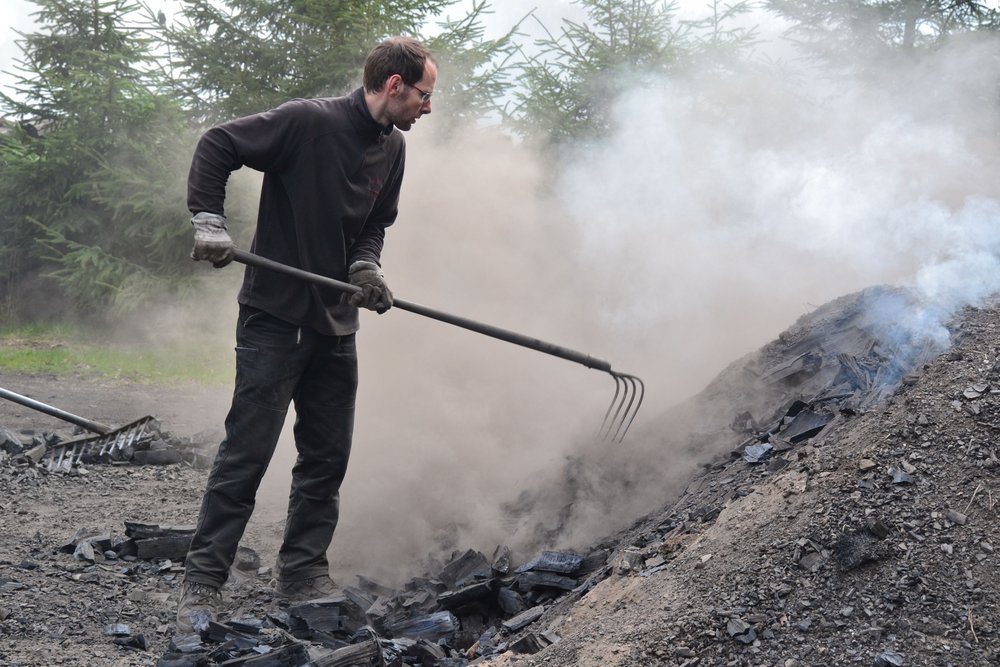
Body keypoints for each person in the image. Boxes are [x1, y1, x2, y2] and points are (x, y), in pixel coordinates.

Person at [176, 36, 436, 634]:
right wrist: (209, 220)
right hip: (276, 316)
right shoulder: (306, 122)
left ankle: (302, 572)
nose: (428, 107)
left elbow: (375, 225)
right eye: (424, 94)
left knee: (326, 455)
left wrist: (365, 268)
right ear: (394, 85)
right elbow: (218, 143)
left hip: (336, 321)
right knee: (248, 450)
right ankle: (204, 577)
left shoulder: (392, 148)